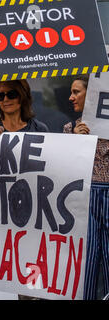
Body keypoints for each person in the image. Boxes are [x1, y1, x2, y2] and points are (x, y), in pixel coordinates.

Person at [63, 74, 109, 300]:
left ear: (91, 94)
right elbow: (62, 168)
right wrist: (74, 139)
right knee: (86, 262)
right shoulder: (69, 128)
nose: (71, 97)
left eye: (76, 92)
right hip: (83, 198)